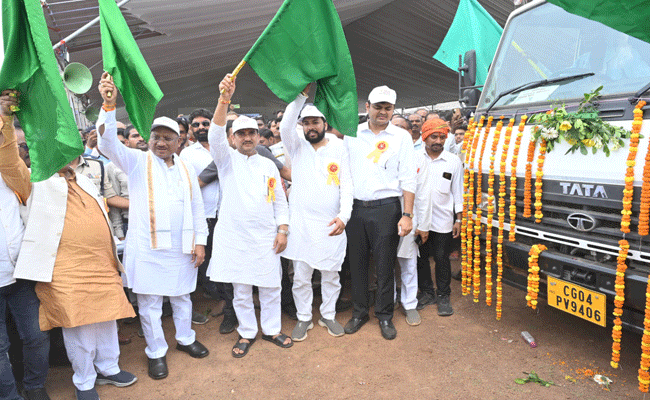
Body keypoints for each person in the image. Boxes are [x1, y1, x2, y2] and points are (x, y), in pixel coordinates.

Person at [6, 92, 138, 400]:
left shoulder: (85, 178)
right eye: (58, 147)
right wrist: (5, 118)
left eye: (68, 147)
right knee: (79, 326)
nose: (65, 152)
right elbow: (9, 160)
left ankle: (109, 367)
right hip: (65, 270)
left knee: (107, 318)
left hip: (102, 264)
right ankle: (84, 381)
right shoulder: (33, 180)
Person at [96, 73, 210, 380]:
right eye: (156, 136)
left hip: (182, 248)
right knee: (150, 304)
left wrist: (200, 241)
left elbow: (197, 207)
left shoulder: (186, 166)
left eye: (167, 138)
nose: (160, 142)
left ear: (179, 141)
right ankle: (156, 352)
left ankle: (185, 339)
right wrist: (108, 106)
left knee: (183, 297)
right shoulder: (136, 161)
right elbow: (107, 143)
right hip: (148, 249)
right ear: (149, 138)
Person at [207, 74, 292, 358]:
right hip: (235, 237)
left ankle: (272, 329)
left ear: (258, 136)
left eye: (251, 133)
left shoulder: (268, 165)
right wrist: (224, 100)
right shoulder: (226, 161)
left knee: (271, 286)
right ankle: (246, 332)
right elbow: (214, 134)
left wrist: (283, 230)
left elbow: (280, 202)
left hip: (266, 237)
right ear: (232, 138)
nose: (246, 138)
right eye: (241, 133)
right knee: (241, 290)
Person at [279, 87, 353, 342]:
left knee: (331, 274)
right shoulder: (296, 145)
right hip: (301, 224)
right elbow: (285, 126)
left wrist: (344, 216)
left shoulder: (339, 146)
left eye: (315, 122)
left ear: (324, 123)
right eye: (306, 122)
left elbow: (347, 184)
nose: (311, 127)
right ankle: (304, 317)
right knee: (301, 276)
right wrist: (299, 97)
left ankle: (328, 315)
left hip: (331, 223)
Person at [343, 85, 416, 340]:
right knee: (357, 264)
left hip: (387, 208)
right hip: (356, 208)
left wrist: (407, 215)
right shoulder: (351, 134)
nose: (383, 112)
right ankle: (359, 312)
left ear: (393, 109)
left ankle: (385, 315)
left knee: (385, 265)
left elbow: (408, 177)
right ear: (367, 107)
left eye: (388, 107)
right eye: (378, 107)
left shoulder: (401, 137)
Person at [0, 91, 51, 400]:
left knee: (36, 335)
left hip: (20, 272)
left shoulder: (14, 174)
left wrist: (5, 117)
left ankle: (34, 386)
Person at [416, 119, 463, 316]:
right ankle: (427, 292)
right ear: (424, 137)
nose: (438, 141)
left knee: (442, 258)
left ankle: (443, 295)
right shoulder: (414, 158)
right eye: (433, 137)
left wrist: (458, 219)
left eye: (442, 137)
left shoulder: (453, 161)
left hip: (443, 219)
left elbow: (458, 191)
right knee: (420, 258)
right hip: (420, 220)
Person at [180, 108, 223, 326]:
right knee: (207, 256)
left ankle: (227, 298)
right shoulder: (187, 154)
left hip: (226, 212)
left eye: (205, 123)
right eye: (196, 125)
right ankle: (215, 294)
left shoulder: (224, 147)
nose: (201, 128)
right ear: (191, 129)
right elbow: (188, 186)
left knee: (225, 255)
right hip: (204, 213)